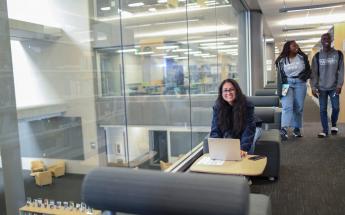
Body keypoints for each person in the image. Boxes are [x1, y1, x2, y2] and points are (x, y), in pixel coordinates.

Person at [207, 78, 257, 156]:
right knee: (227, 144)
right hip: (231, 130)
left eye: (231, 89)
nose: (228, 92)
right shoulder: (217, 106)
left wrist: (243, 148)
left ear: (237, 90)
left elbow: (249, 128)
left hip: (247, 129)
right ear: (221, 93)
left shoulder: (247, 104)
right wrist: (215, 146)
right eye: (225, 90)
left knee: (251, 146)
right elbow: (215, 128)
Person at [275, 40, 311, 140]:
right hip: (286, 84)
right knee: (287, 107)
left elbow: (308, 70)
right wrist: (279, 90)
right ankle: (284, 129)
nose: (296, 46)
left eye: (296, 45)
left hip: (300, 83)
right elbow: (279, 74)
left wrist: (304, 77)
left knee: (298, 107)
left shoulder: (302, 57)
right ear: (288, 47)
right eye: (293, 45)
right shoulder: (282, 60)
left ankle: (296, 128)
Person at [310, 33, 344, 138]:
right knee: (323, 109)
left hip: (334, 87)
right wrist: (313, 87)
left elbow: (341, 70)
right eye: (324, 38)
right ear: (321, 41)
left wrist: (339, 85)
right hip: (321, 88)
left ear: (331, 40)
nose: (326, 40)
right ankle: (325, 130)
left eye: (328, 38)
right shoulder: (317, 56)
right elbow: (314, 73)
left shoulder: (338, 54)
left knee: (336, 108)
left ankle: (334, 124)